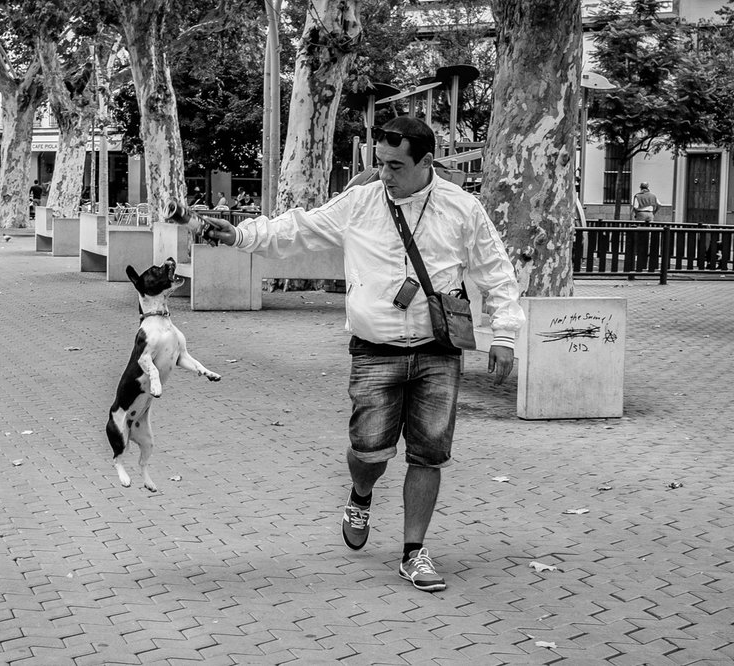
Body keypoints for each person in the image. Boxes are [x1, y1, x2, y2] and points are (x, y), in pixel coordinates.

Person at [197, 116, 524, 592]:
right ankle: (361, 492)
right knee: (369, 451)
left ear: (426, 162)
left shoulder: (462, 208)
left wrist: (506, 335)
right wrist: (240, 235)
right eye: (380, 164)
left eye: (395, 166)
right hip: (375, 350)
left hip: (439, 349)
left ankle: (414, 552)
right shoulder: (361, 201)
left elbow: (497, 272)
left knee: (429, 454)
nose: (385, 175)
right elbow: (299, 229)